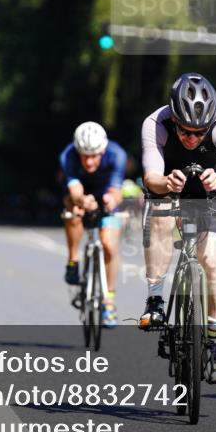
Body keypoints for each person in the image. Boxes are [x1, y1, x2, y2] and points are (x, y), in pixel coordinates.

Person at [140, 72, 216, 384]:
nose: (192, 138)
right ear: (173, 117)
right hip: (169, 189)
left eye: (200, 133)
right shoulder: (154, 122)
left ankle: (214, 341)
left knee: (211, 260)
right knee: (160, 213)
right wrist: (166, 182)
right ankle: (155, 299)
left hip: (214, 195)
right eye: (185, 131)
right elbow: (150, 177)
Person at [59, 121, 127, 328]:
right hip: (81, 194)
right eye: (84, 156)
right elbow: (74, 190)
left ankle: (108, 301)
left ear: (103, 150)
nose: (88, 162)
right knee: (72, 212)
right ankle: (73, 261)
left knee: (108, 244)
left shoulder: (117, 155)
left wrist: (111, 200)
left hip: (106, 194)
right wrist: (81, 201)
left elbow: (117, 190)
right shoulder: (68, 156)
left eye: (94, 156)